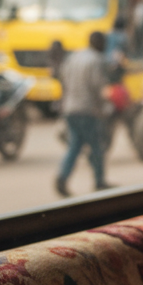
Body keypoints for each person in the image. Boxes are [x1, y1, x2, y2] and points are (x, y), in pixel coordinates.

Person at [55, 31, 112, 197]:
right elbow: (98, 86)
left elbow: (62, 78)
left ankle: (62, 177)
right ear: (101, 44)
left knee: (75, 145)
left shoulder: (74, 57)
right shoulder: (97, 59)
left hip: (70, 108)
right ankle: (100, 181)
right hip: (87, 110)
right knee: (95, 146)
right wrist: (104, 107)